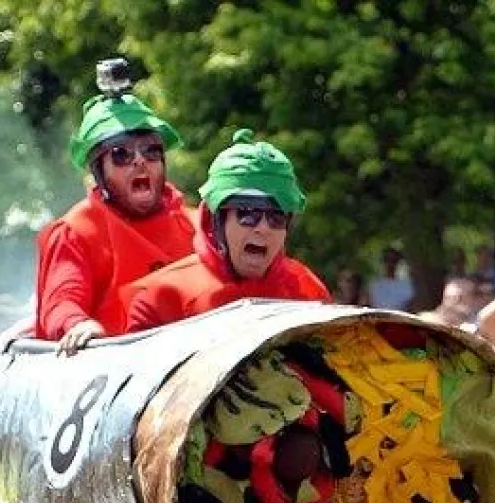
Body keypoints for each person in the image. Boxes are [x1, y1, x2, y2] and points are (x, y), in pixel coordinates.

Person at [19, 61, 198, 354]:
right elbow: (61, 301)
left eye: (151, 150)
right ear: (98, 170)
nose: (140, 161)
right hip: (118, 369)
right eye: (121, 154)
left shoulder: (200, 224)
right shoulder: (76, 232)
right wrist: (77, 324)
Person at [123, 129, 331, 331]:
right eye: (247, 213)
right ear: (215, 220)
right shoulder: (160, 300)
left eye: (276, 218)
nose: (263, 228)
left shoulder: (308, 292)